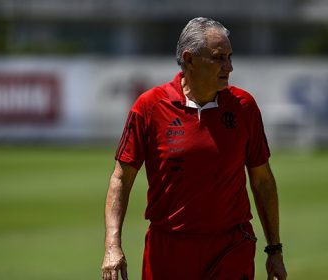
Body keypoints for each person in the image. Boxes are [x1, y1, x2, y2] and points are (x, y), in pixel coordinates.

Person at [101, 17, 287, 280]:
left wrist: (275, 250)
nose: (229, 67)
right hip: (168, 251)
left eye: (230, 57)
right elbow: (120, 179)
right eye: (219, 58)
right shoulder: (149, 107)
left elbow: (263, 181)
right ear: (189, 59)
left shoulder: (244, 107)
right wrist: (112, 245)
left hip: (231, 247)